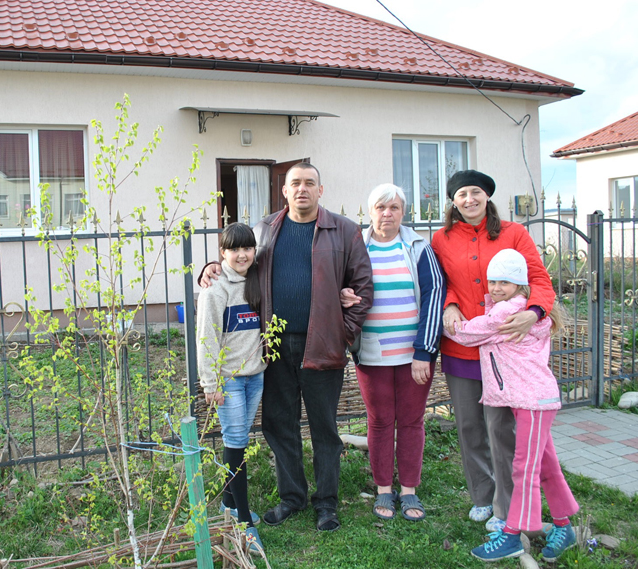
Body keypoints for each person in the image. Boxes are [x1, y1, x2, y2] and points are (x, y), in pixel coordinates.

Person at [200, 163, 373, 531]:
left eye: (310, 183)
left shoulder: (344, 230)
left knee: (325, 428)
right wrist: (212, 266)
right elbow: (240, 262)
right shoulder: (265, 229)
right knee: (280, 425)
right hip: (272, 348)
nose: (302, 189)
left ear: (320, 190)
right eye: (295, 183)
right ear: (285, 190)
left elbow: (363, 289)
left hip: (323, 346)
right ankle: (292, 497)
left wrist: (343, 333)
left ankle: (326, 502)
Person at [431, 170, 556, 533]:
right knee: (469, 427)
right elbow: (442, 283)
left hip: (505, 353)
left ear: (487, 196)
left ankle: (507, 505)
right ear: (452, 201)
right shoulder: (442, 238)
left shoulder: (514, 234)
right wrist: (450, 305)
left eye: (476, 193)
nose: (469, 200)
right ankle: (482, 497)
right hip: (462, 347)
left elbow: (539, 281)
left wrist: (533, 313)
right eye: (461, 194)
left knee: (500, 429)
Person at [445, 249, 579, 562]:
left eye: (505, 282)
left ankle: (513, 534)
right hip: (530, 399)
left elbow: (468, 334)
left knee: (524, 468)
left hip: (532, 400)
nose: (495, 288)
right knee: (544, 465)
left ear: (520, 286)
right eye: (493, 281)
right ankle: (563, 525)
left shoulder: (509, 311)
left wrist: (446, 322)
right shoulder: (515, 308)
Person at [355, 183, 446, 521]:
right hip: (371, 353)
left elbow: (435, 294)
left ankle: (408, 490)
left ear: (403, 212)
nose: (387, 214)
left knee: (410, 420)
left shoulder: (418, 247)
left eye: (394, 208)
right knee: (379, 421)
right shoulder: (357, 247)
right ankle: (383, 489)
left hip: (414, 355)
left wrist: (425, 350)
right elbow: (342, 286)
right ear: (370, 212)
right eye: (381, 208)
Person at [196, 222, 267, 555]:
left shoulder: (257, 278)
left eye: (247, 248)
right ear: (222, 253)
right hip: (229, 379)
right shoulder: (215, 290)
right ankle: (244, 522)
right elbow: (207, 338)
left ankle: (227, 504)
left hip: (256, 375)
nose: (242, 255)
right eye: (234, 249)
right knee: (236, 443)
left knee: (238, 439)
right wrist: (211, 383)